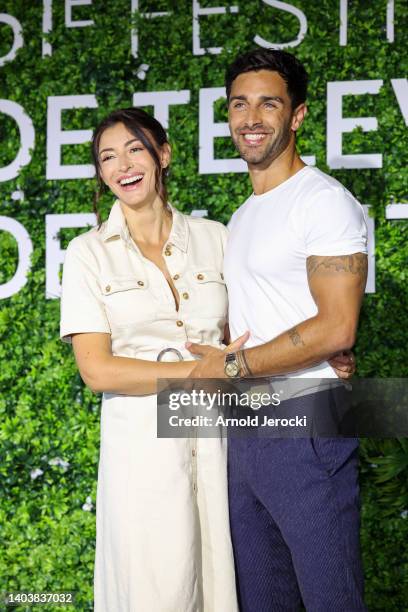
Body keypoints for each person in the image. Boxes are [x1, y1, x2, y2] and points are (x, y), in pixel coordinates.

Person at [60, 106, 354, 611]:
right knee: (157, 591)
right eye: (108, 157)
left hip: (222, 448)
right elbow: (97, 369)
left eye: (135, 149)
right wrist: (198, 372)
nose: (123, 165)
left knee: (223, 589)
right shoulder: (87, 253)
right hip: (141, 455)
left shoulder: (218, 237)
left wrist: (327, 351)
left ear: (164, 155)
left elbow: (256, 322)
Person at [187, 49, 368, 611]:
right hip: (247, 431)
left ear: (298, 116)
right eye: (240, 104)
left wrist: (235, 366)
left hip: (306, 425)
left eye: (269, 103)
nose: (252, 118)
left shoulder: (323, 201)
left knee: (330, 599)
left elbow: (337, 325)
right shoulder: (242, 216)